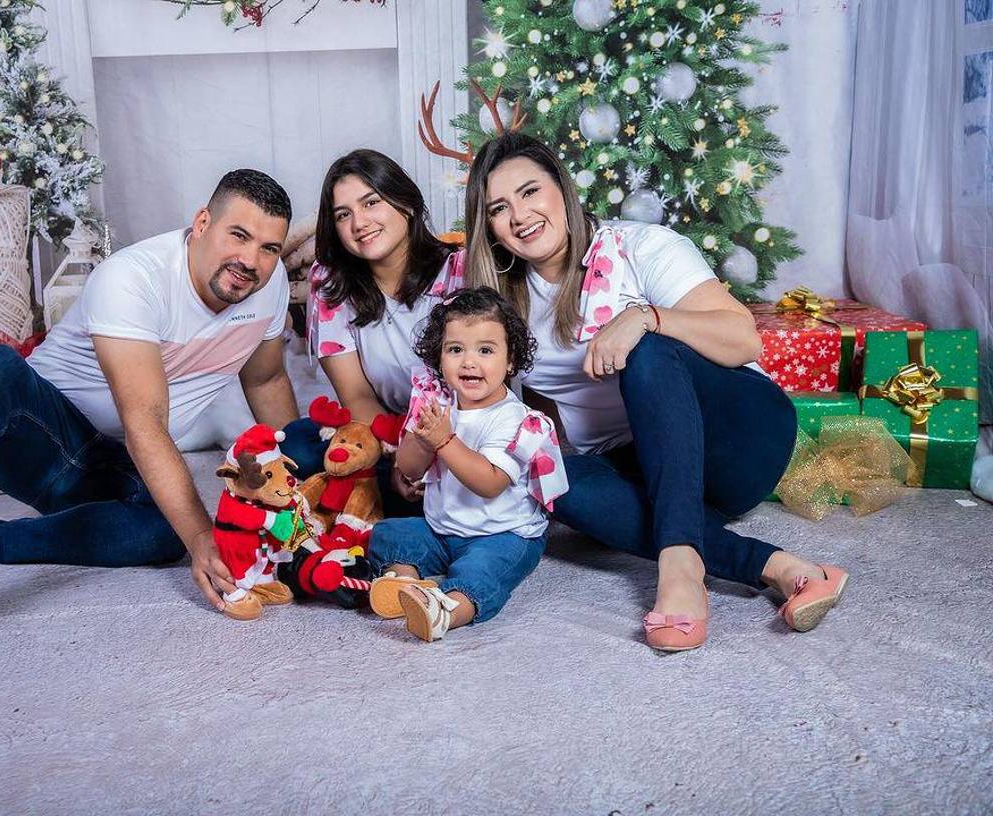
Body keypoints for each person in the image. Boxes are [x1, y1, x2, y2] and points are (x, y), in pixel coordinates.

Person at [0, 169, 298, 663]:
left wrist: (304, 495)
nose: (250, 261)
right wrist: (202, 539)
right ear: (202, 222)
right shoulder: (136, 277)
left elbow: (266, 381)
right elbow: (143, 421)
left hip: (124, 462)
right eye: (239, 235)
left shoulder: (268, 285)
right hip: (42, 440)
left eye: (269, 247)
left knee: (169, 530)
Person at [463, 132, 848, 652]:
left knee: (646, 348)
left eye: (531, 192)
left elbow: (743, 338)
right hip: (639, 464)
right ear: (488, 227)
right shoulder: (499, 301)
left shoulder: (639, 246)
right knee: (552, 477)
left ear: (563, 189)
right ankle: (777, 567)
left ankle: (680, 567)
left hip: (736, 439)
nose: (520, 216)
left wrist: (645, 316)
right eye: (499, 208)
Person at [365, 287, 566, 642]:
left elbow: (489, 483)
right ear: (439, 358)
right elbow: (409, 470)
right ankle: (406, 584)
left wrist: (444, 441)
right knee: (391, 533)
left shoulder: (514, 419)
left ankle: (445, 610)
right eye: (455, 350)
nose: (469, 362)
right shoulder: (440, 408)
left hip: (504, 535)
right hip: (443, 530)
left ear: (511, 361)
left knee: (481, 572)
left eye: (485, 350)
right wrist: (422, 439)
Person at [280, 149, 464, 513]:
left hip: (460, 432)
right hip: (385, 431)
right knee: (296, 448)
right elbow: (357, 395)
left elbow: (479, 390)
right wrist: (401, 456)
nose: (358, 223)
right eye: (343, 215)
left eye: (371, 203)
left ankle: (420, 496)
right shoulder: (329, 283)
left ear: (407, 204)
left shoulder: (461, 269)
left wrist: (429, 453)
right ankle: (400, 491)